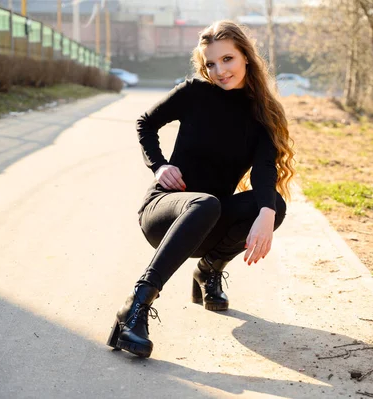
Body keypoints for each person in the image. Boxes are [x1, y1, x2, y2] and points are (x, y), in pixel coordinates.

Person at [106, 20, 296, 358]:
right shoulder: (194, 93)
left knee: (272, 204)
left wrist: (267, 213)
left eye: (228, 60)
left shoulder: (261, 114)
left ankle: (208, 271)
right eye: (211, 63)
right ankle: (135, 306)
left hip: (210, 218)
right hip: (165, 213)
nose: (220, 70)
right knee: (206, 203)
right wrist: (159, 165)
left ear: (246, 58)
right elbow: (145, 123)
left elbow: (265, 172)